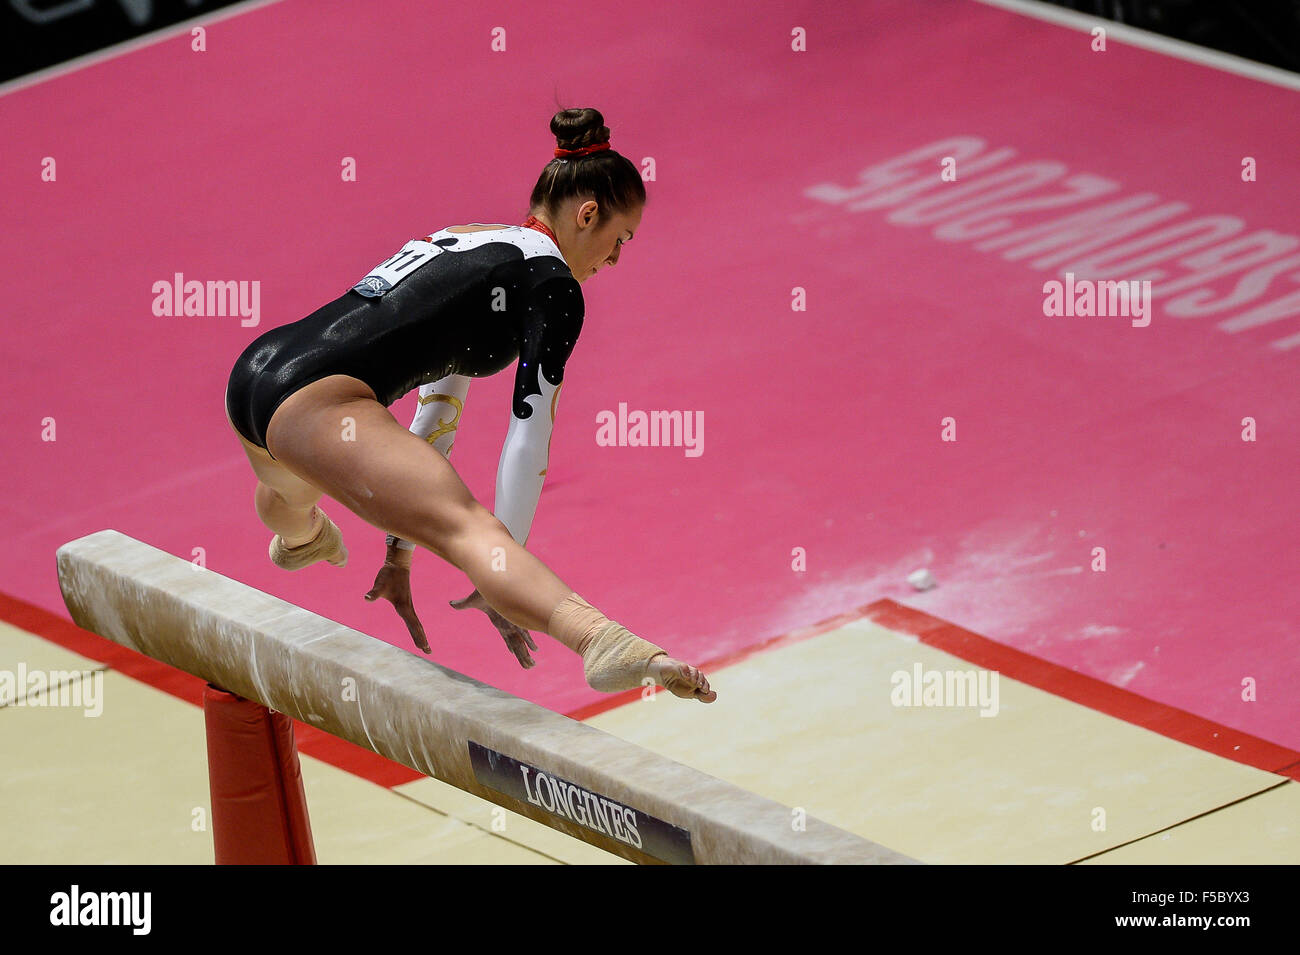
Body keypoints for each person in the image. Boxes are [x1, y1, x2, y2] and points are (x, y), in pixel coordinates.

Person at [223, 107, 715, 703]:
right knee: (468, 527)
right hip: (318, 405)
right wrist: (501, 569)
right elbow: (529, 439)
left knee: (287, 493)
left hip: (260, 372)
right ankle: (602, 642)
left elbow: (434, 413)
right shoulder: (551, 285)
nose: (614, 260)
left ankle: (303, 539)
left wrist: (400, 551)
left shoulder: (471, 240)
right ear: (588, 215)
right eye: (620, 240)